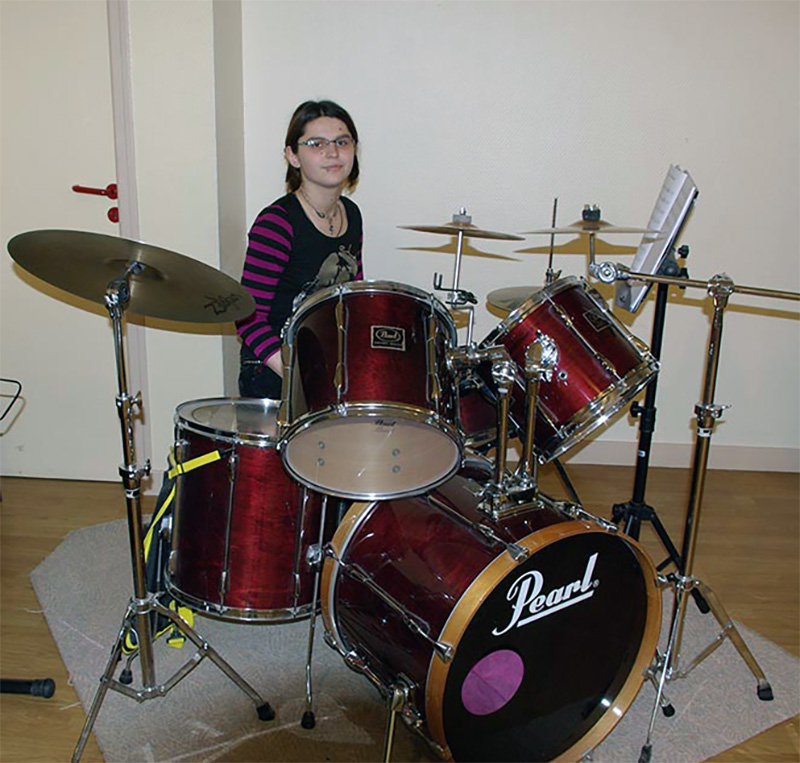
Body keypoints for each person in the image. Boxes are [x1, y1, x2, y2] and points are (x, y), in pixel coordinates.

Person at [237, 100, 363, 399]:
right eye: (316, 144)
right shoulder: (277, 223)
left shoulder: (352, 214)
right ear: (293, 156)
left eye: (342, 142)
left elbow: (353, 298)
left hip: (325, 365)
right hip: (271, 368)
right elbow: (247, 318)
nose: (332, 152)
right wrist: (296, 372)